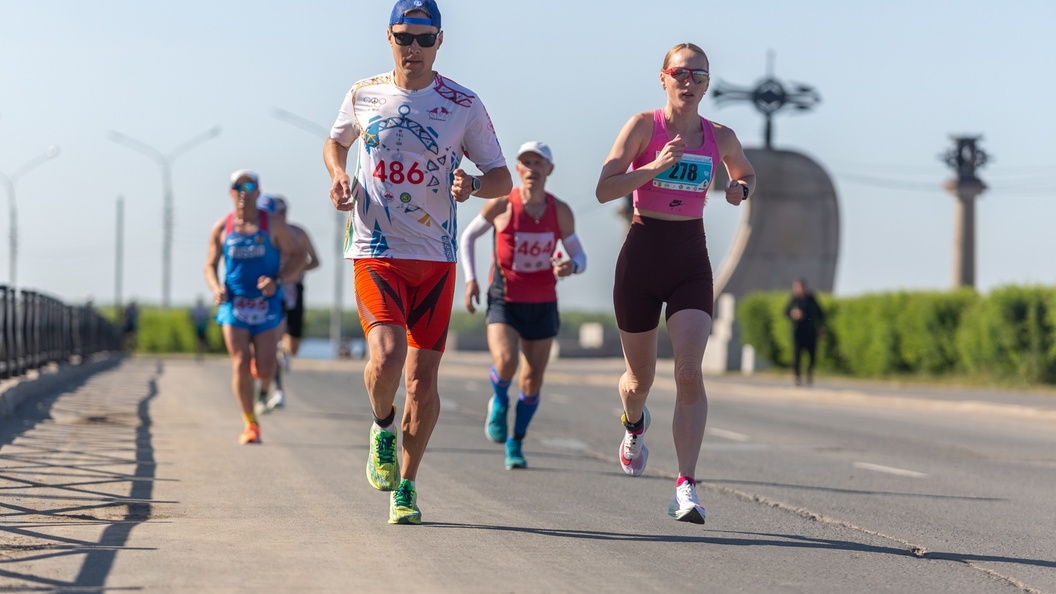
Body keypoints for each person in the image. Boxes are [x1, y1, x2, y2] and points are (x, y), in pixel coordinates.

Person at [323, 0, 512, 524]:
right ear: (389, 38)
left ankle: (405, 486)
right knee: (385, 357)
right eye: (405, 37)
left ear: (440, 42)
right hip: (375, 248)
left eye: (424, 39)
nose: (414, 48)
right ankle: (382, 426)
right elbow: (334, 144)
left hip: (435, 257)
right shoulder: (364, 94)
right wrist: (338, 175)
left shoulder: (462, 103)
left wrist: (473, 184)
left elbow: (501, 177)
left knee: (421, 382)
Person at [595, 43, 756, 524]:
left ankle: (686, 485)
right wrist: (652, 168)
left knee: (688, 371)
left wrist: (739, 188)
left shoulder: (720, 136)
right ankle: (633, 423)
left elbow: (745, 171)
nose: (689, 82)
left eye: (698, 76)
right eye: (680, 73)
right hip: (642, 255)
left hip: (690, 257)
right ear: (663, 78)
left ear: (707, 84)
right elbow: (605, 188)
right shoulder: (645, 126)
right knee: (639, 381)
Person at [459, 141, 586, 470]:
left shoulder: (560, 211)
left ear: (549, 170)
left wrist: (571, 266)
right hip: (504, 299)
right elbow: (468, 237)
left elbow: (579, 255)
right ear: (517, 169)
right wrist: (471, 279)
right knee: (505, 361)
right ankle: (499, 400)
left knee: (532, 381)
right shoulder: (502, 205)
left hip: (543, 302)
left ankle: (515, 441)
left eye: (538, 163)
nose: (531, 168)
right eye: (525, 162)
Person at [204, 170, 306, 445]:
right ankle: (250, 423)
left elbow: (299, 256)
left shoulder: (272, 224)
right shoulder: (222, 227)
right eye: (238, 186)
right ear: (230, 192)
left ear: (258, 192)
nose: (243, 192)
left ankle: (259, 373)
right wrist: (216, 288)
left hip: (267, 305)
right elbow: (210, 265)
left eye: (250, 186)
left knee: (263, 369)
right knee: (238, 362)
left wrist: (279, 280)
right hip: (234, 305)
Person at [256, 194, 322, 411]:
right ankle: (273, 390)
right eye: (276, 211)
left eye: (283, 211)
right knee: (274, 338)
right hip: (273, 291)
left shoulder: (297, 232)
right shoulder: (264, 233)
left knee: (291, 346)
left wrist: (296, 268)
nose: (280, 215)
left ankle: (282, 356)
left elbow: (315, 261)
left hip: (295, 288)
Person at [785, 277, 826, 386]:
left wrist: (821, 326)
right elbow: (786, 312)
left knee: (812, 356)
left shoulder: (811, 298)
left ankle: (809, 375)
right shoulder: (794, 299)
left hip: (811, 331)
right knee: (797, 356)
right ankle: (797, 377)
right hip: (798, 332)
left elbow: (821, 313)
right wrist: (793, 313)